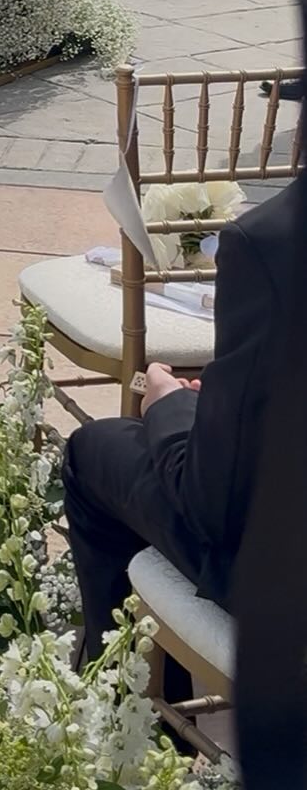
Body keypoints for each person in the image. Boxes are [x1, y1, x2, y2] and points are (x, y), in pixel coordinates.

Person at [63, 170, 305, 662]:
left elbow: (211, 508)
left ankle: (120, 715)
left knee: (96, 449)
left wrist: (168, 407)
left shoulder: (274, 241)